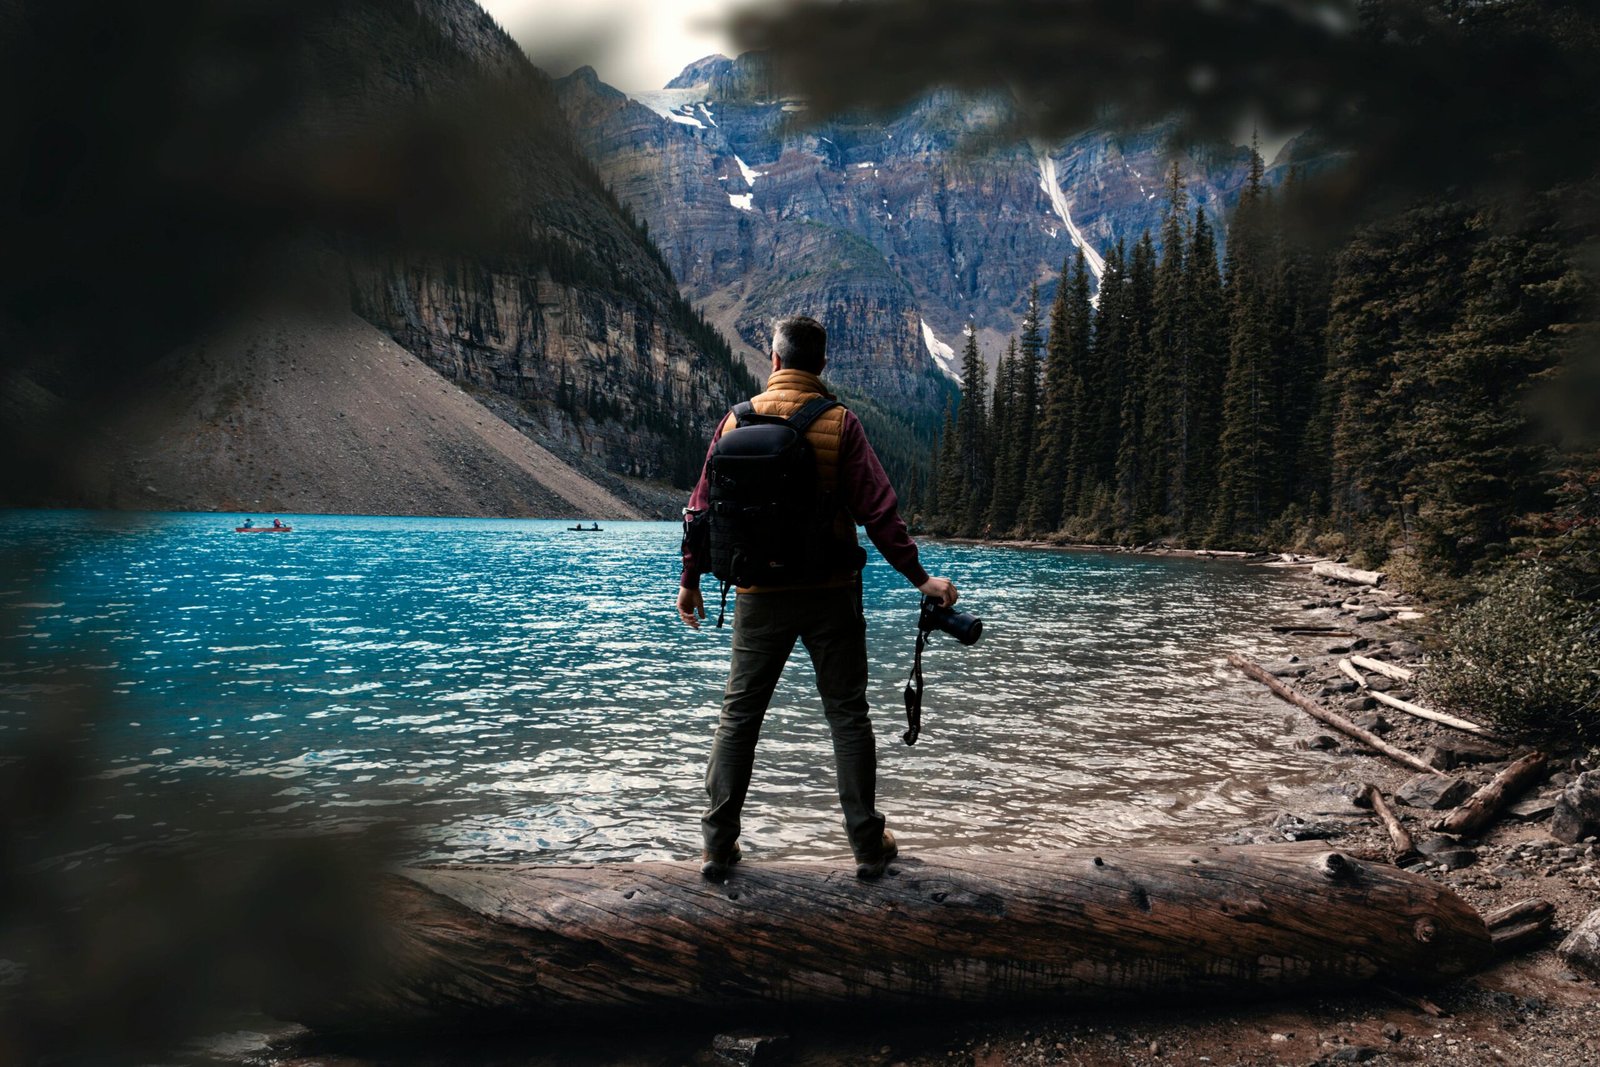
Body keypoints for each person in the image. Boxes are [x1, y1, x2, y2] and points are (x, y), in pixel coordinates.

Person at [677, 315, 958, 882]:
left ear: (775, 361)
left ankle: (716, 847)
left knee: (739, 716)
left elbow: (700, 510)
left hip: (757, 595)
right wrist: (920, 579)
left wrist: (690, 582)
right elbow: (880, 512)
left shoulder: (736, 421)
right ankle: (867, 847)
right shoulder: (840, 423)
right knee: (848, 716)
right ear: (822, 365)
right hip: (830, 594)